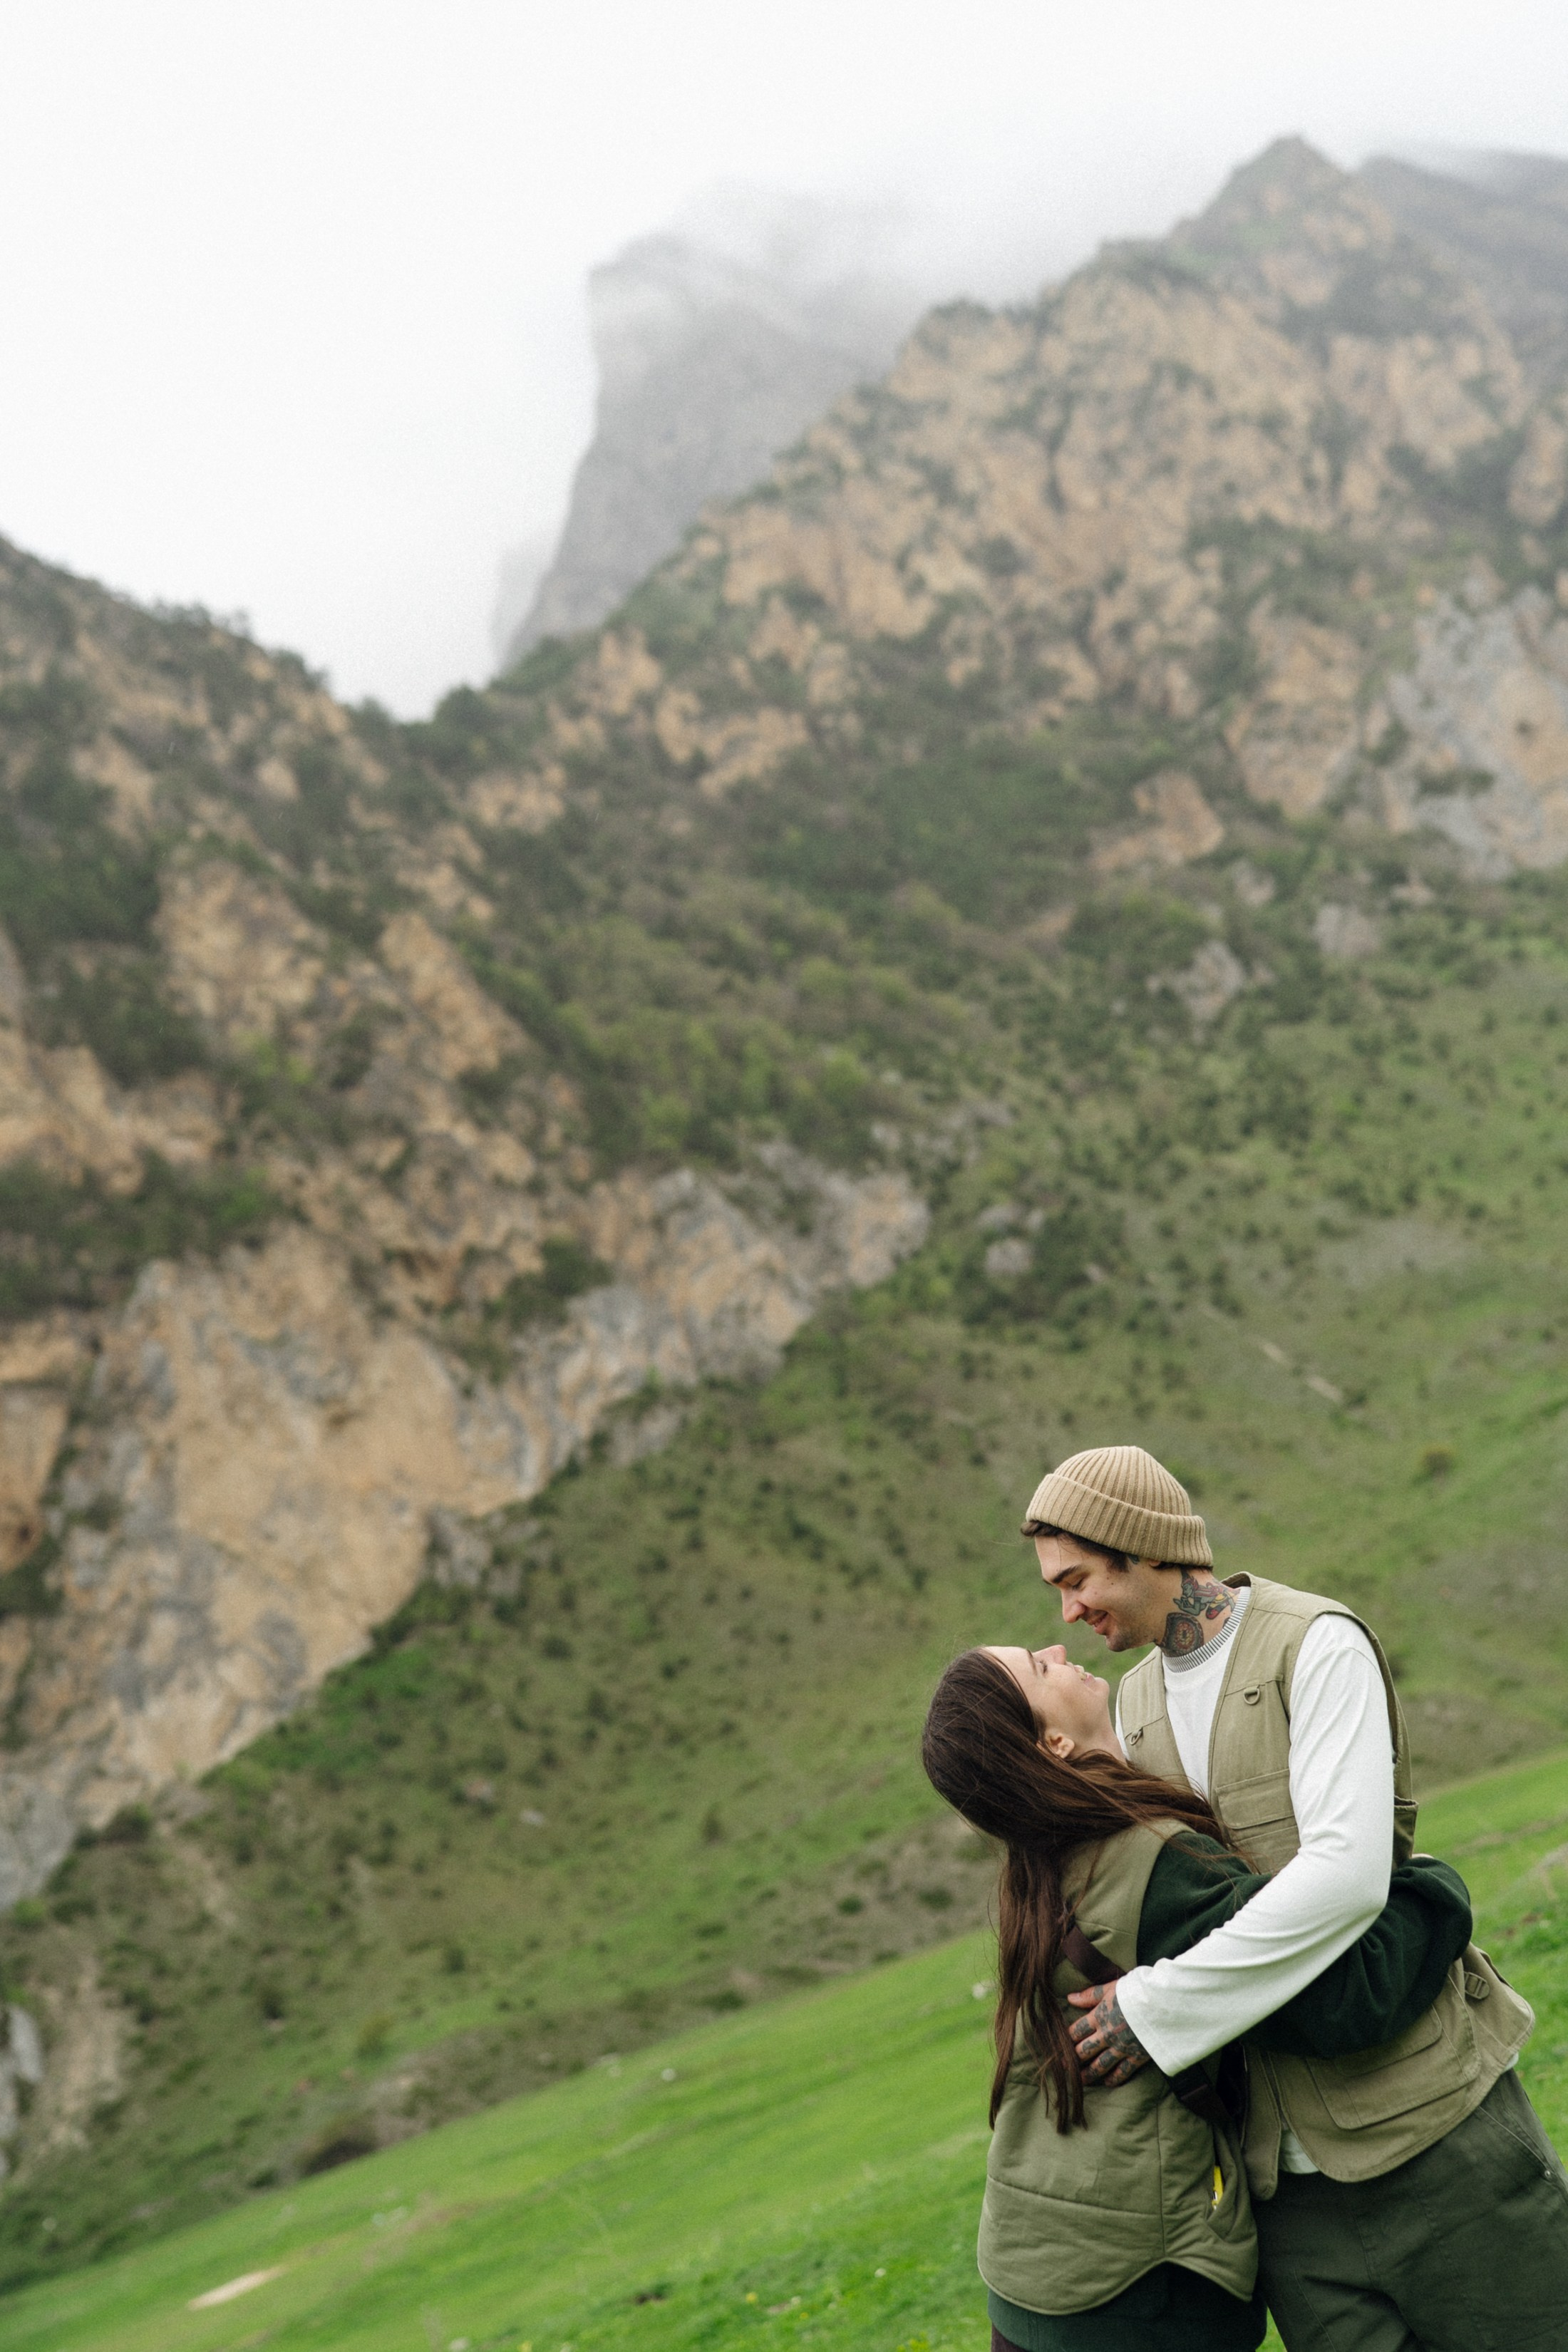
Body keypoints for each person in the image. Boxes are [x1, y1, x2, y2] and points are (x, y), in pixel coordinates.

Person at [1021, 1441, 1568, 2351]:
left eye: (1076, 1579)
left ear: (1144, 1546)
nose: (1069, 1610)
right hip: (1284, 2195)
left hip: (1439, 2136)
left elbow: (1347, 1878)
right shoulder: (1130, 1707)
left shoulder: (1315, 1644)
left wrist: (1155, 2008)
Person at [922, 1641, 1475, 2352]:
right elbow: (1346, 1997)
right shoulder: (1152, 1864)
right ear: (1053, 1743)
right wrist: (1432, 1885)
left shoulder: (1034, 1867)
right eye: (1037, 1665)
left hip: (1032, 2259)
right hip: (1136, 2279)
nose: (1058, 1647)